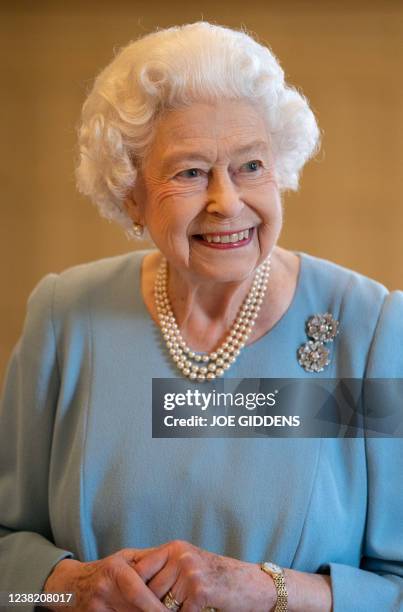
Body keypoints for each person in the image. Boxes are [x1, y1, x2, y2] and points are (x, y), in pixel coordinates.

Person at [0, 20, 402, 612]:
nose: (226, 201)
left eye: (251, 166)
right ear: (130, 192)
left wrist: (271, 591)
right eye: (190, 172)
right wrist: (64, 588)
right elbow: (7, 574)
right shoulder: (66, 318)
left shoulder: (367, 329)